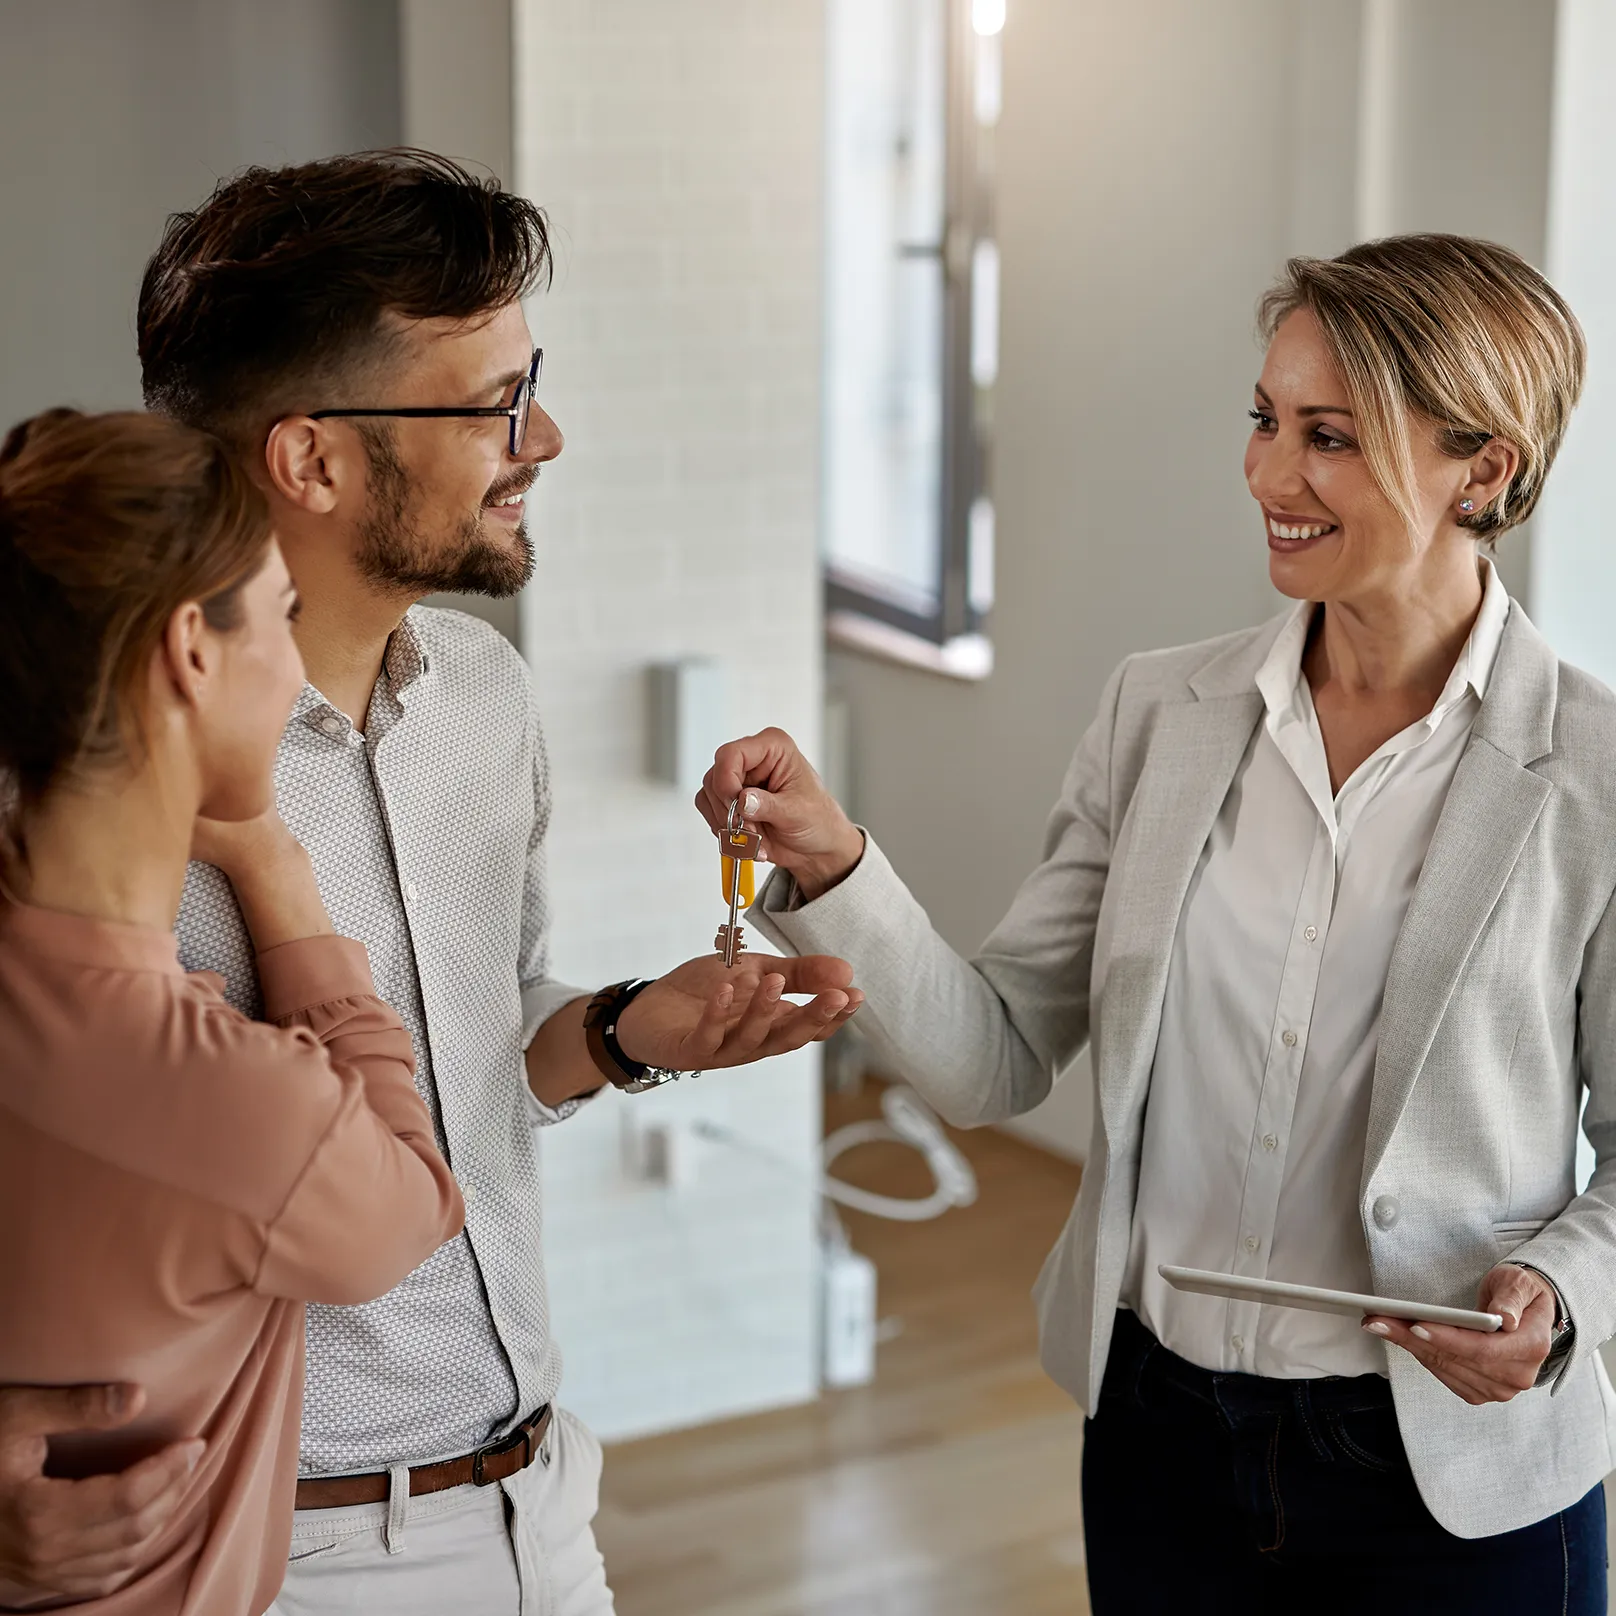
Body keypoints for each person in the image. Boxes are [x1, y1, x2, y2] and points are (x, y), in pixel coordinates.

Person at [701, 234, 1616, 1611]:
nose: (1268, 474)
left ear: (1482, 469)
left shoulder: (1594, 777)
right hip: (1160, 1440)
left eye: (1332, 436)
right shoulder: (1160, 716)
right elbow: (995, 1056)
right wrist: (833, 864)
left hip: (1452, 1478)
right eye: (1264, 420)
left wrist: (1554, 1297)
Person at [0, 152, 860, 1616]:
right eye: (498, 403)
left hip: (535, 1499)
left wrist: (619, 1033)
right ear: (314, 458)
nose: (551, 436)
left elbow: (457, 1067)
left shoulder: (481, 697)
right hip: (267, 1550)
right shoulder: (67, 795)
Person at [0, 407, 466, 1615]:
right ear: (189, 654)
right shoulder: (226, 1094)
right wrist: (277, 872)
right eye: (278, 613)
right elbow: (411, 1199)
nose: (298, 656)